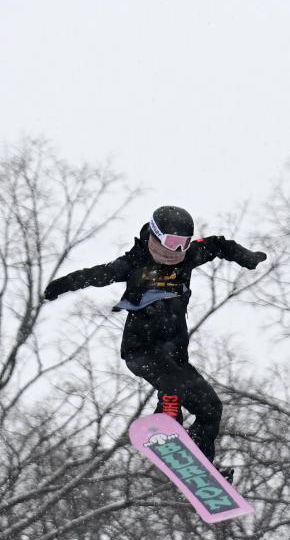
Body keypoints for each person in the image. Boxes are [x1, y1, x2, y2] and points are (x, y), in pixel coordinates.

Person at [43, 205, 266, 478]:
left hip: (175, 356)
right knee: (172, 384)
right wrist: (60, 286)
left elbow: (218, 245)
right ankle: (166, 420)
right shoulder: (133, 263)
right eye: (172, 243)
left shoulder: (187, 257)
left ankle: (203, 466)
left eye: (183, 245)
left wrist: (246, 257)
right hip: (141, 350)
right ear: (156, 236)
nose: (176, 251)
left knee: (211, 408)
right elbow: (94, 275)